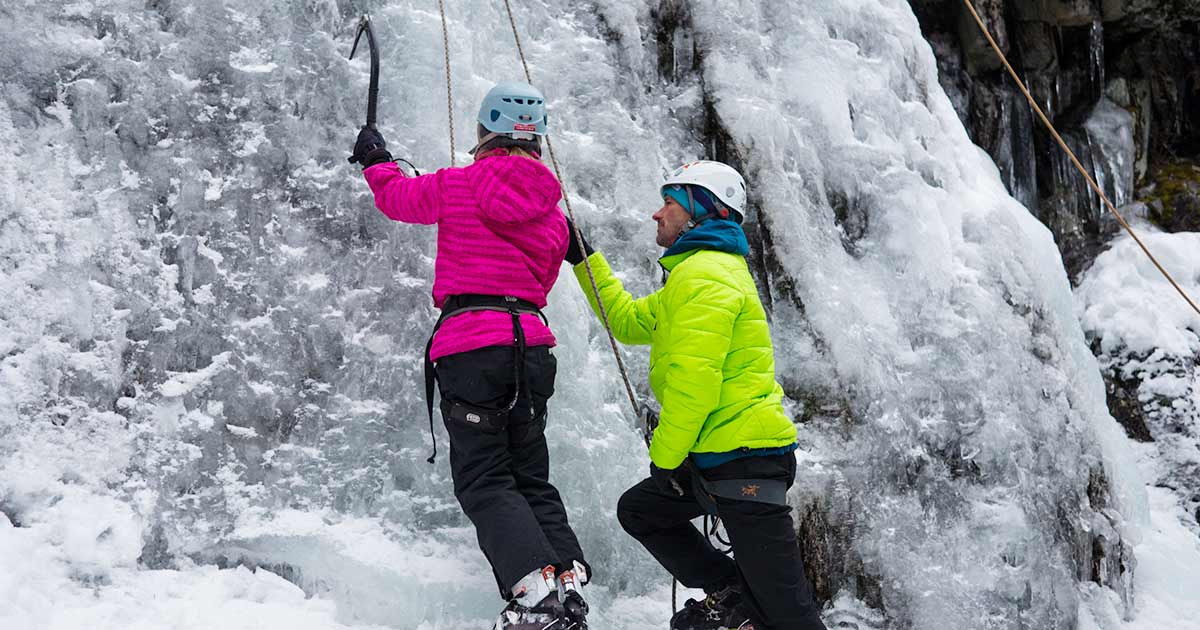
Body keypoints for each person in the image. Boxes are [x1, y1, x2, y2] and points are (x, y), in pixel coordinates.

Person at [350, 81, 590, 630]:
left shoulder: (460, 186)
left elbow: (397, 199)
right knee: (530, 475)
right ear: (538, 142)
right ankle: (567, 580)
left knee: (484, 477)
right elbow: (544, 279)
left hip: (473, 345)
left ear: (484, 133)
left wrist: (376, 159)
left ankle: (535, 594)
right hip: (531, 347)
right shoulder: (555, 216)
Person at [564, 161, 826, 630]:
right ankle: (734, 594)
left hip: (744, 461)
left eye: (669, 202)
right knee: (641, 510)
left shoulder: (705, 278)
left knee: (792, 617)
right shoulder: (694, 276)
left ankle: (746, 601)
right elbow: (625, 321)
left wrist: (666, 459)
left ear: (701, 212)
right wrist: (583, 258)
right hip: (725, 458)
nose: (656, 213)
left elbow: (694, 382)